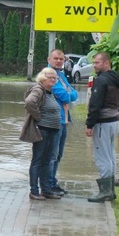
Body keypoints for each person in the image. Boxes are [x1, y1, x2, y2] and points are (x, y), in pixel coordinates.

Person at [85, 52, 119, 203]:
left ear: (106, 63)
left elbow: (95, 104)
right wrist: (118, 109)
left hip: (103, 123)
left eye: (97, 62)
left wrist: (89, 124)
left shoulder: (101, 80)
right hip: (114, 122)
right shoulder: (116, 79)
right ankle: (110, 190)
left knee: (102, 157)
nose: (94, 65)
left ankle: (105, 192)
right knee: (110, 155)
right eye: (94, 62)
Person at [23, 67, 63, 201]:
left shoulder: (49, 92)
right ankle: (34, 191)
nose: (52, 79)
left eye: (54, 77)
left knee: (47, 161)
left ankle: (46, 190)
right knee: (38, 161)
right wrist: (38, 117)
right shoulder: (38, 89)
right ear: (42, 78)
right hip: (43, 130)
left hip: (52, 130)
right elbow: (29, 102)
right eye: (49, 77)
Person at [47, 49, 78, 195]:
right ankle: (48, 185)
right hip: (53, 120)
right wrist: (69, 94)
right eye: (56, 58)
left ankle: (52, 181)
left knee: (58, 154)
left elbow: (74, 93)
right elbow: (65, 96)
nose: (59, 61)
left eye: (61, 59)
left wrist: (69, 94)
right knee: (52, 155)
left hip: (63, 120)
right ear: (49, 59)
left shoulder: (60, 74)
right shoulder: (48, 74)